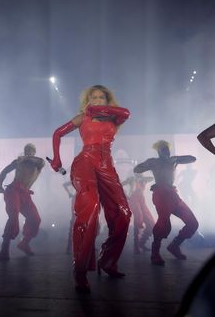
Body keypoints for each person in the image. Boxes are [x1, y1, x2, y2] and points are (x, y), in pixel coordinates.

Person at [49, 85, 132, 293]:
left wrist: (100, 111)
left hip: (106, 164)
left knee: (123, 213)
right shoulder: (82, 118)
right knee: (91, 206)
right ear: (88, 100)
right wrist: (56, 159)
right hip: (85, 161)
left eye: (100, 97)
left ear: (107, 100)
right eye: (92, 97)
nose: (96, 100)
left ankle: (108, 261)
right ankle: (80, 270)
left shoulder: (115, 117)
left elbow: (126, 113)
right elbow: (58, 133)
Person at [134, 140, 199, 266]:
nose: (166, 152)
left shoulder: (173, 160)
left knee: (192, 223)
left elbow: (193, 159)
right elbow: (137, 169)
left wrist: (177, 159)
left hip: (173, 195)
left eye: (167, 149)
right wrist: (149, 166)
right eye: (163, 149)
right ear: (158, 151)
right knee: (164, 224)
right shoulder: (154, 161)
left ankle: (174, 245)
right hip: (161, 195)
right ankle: (155, 253)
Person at [0, 143, 45, 261]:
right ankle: (4, 248)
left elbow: (39, 162)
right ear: (24, 151)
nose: (28, 151)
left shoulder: (39, 163)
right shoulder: (18, 161)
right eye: (26, 150)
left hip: (25, 194)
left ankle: (24, 243)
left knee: (35, 219)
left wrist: (23, 159)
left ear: (34, 152)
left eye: (31, 150)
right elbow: (4, 171)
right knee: (13, 215)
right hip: (13, 190)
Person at [122, 173, 155, 253]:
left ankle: (141, 243)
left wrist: (143, 178)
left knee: (151, 223)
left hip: (141, 199)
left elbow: (152, 178)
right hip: (133, 199)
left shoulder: (143, 179)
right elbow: (119, 185)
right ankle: (136, 246)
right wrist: (126, 195)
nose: (140, 173)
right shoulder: (131, 178)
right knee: (138, 220)